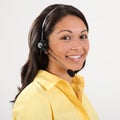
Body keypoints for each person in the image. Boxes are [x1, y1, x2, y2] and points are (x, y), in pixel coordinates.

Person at [12, 4, 99, 120]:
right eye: (66, 37)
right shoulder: (34, 98)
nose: (78, 47)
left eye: (83, 36)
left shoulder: (75, 88)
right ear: (44, 46)